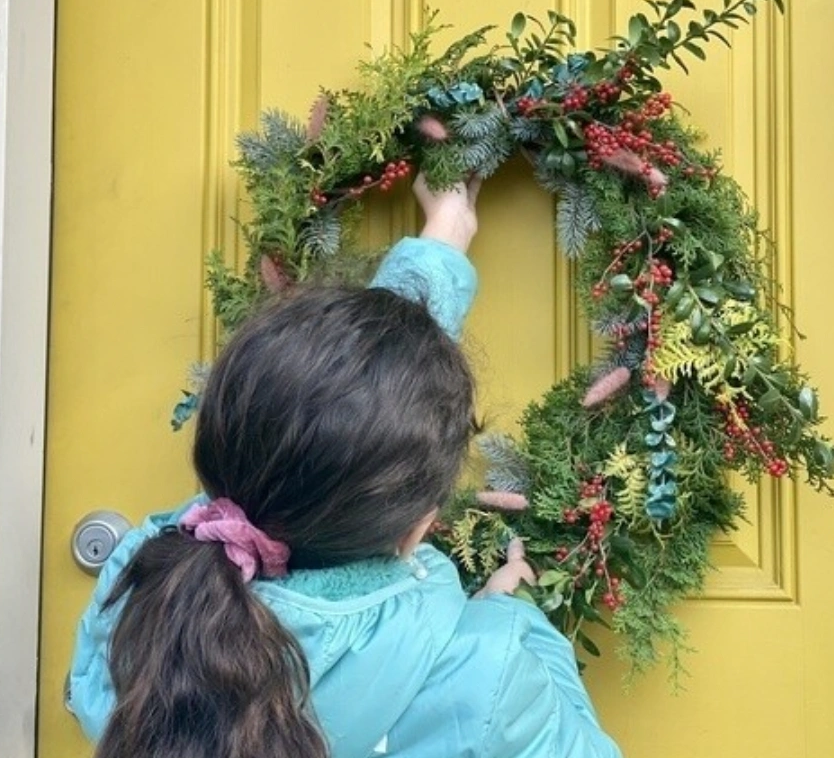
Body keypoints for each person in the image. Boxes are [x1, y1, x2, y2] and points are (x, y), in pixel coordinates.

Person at [68, 175, 625, 758]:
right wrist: (510, 622)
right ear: (419, 528)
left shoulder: (137, 595)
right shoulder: (486, 675)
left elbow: (311, 425)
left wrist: (441, 246)